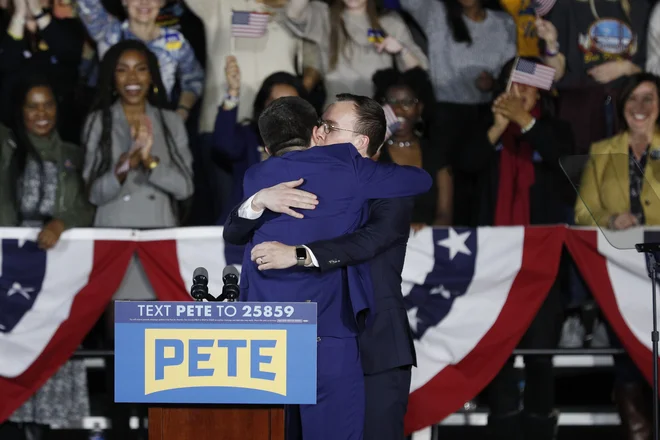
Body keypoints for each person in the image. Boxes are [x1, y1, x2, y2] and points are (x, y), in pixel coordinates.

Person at [224, 94, 431, 440]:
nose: (317, 133)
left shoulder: (390, 190)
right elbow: (235, 228)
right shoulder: (292, 182)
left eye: (329, 127)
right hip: (313, 341)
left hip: (373, 345)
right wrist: (259, 199)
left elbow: (367, 242)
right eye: (318, 124)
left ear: (361, 142)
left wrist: (300, 254)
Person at [82, 39, 193, 440]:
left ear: (153, 77)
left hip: (157, 248)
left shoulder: (170, 122)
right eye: (123, 69)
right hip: (116, 248)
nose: (133, 78)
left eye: (141, 69)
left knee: (159, 351)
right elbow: (93, 193)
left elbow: (184, 187)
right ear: (112, 78)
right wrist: (125, 165)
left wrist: (150, 161)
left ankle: (157, 428)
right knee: (120, 349)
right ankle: (120, 429)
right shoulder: (99, 121)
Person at [0, 77, 92, 440]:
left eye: (48, 105)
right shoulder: (6, 147)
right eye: (32, 106)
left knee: (57, 345)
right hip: (11, 270)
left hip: (59, 269)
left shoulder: (75, 154)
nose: (41, 113)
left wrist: (61, 222)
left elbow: (86, 205)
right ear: (19, 111)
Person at [576, 72, 660, 440]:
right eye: (632, 100)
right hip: (621, 269)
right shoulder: (602, 150)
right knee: (625, 345)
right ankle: (634, 416)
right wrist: (611, 218)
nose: (639, 108)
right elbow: (582, 212)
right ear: (622, 106)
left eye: (648, 99)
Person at [212, 56, 307, 223]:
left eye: (292, 104)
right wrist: (233, 92)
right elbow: (223, 144)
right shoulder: (249, 137)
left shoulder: (313, 144)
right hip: (244, 228)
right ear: (263, 106)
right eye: (276, 103)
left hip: (293, 226)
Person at [76, 0, 204, 120]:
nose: (144, 2)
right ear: (124, 1)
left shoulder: (175, 40)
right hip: (115, 126)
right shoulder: (109, 32)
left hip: (159, 126)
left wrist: (182, 112)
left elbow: (194, 79)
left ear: (162, 2)